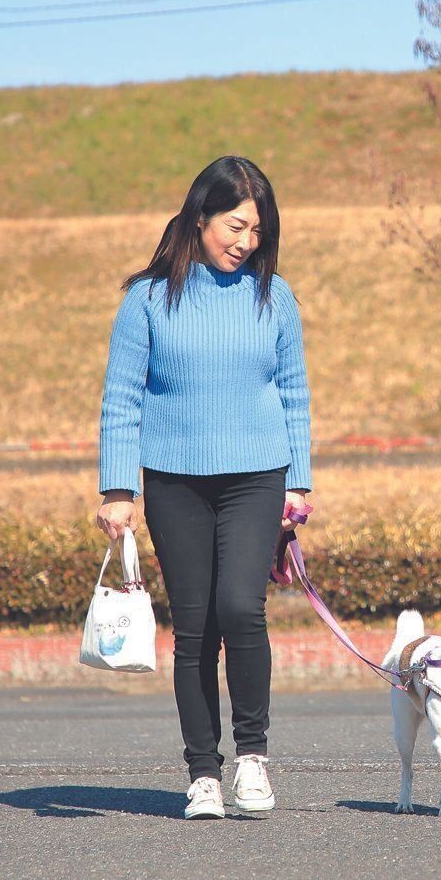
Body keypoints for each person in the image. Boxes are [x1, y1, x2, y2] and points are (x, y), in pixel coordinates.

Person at [95, 156, 312, 820]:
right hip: (173, 481)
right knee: (196, 628)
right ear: (200, 217)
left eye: (257, 229)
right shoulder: (148, 300)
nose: (245, 241)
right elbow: (122, 398)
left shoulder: (275, 298)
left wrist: (297, 481)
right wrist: (117, 488)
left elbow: (294, 393)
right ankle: (202, 774)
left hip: (256, 475)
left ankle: (252, 758)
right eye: (235, 225)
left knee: (241, 609)